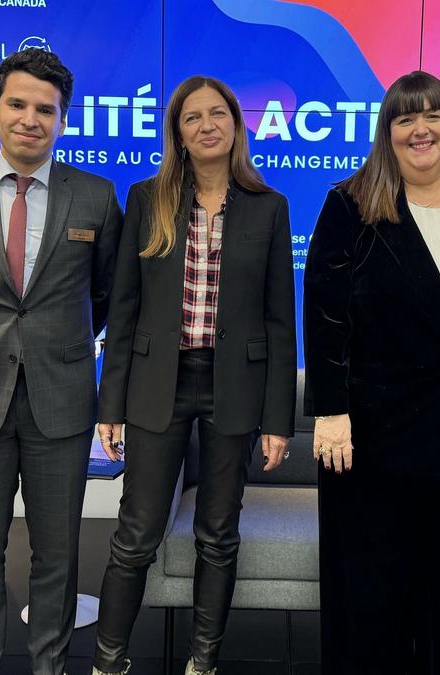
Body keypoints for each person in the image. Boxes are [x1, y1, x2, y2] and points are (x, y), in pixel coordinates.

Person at [303, 70, 440, 674]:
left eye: (433, 115)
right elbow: (325, 316)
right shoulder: (351, 202)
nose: (420, 129)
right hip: (373, 434)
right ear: (388, 131)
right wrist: (330, 411)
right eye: (406, 118)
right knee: (374, 598)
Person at [0, 48, 122, 675]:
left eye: (45, 109)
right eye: (17, 104)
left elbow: (106, 294)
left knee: (57, 555)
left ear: (63, 119)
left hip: (61, 401)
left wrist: (55, 343)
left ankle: (49, 667)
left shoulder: (96, 197)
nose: (30, 119)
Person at [91, 75, 296, 675]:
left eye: (218, 114)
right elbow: (124, 310)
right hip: (159, 383)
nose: (207, 125)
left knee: (218, 533)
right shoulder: (146, 198)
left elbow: (280, 321)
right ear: (178, 134)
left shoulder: (269, 206)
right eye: (192, 117)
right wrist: (110, 405)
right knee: (136, 533)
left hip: (236, 386)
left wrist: (277, 419)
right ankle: (108, 662)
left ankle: (202, 663)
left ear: (235, 124)